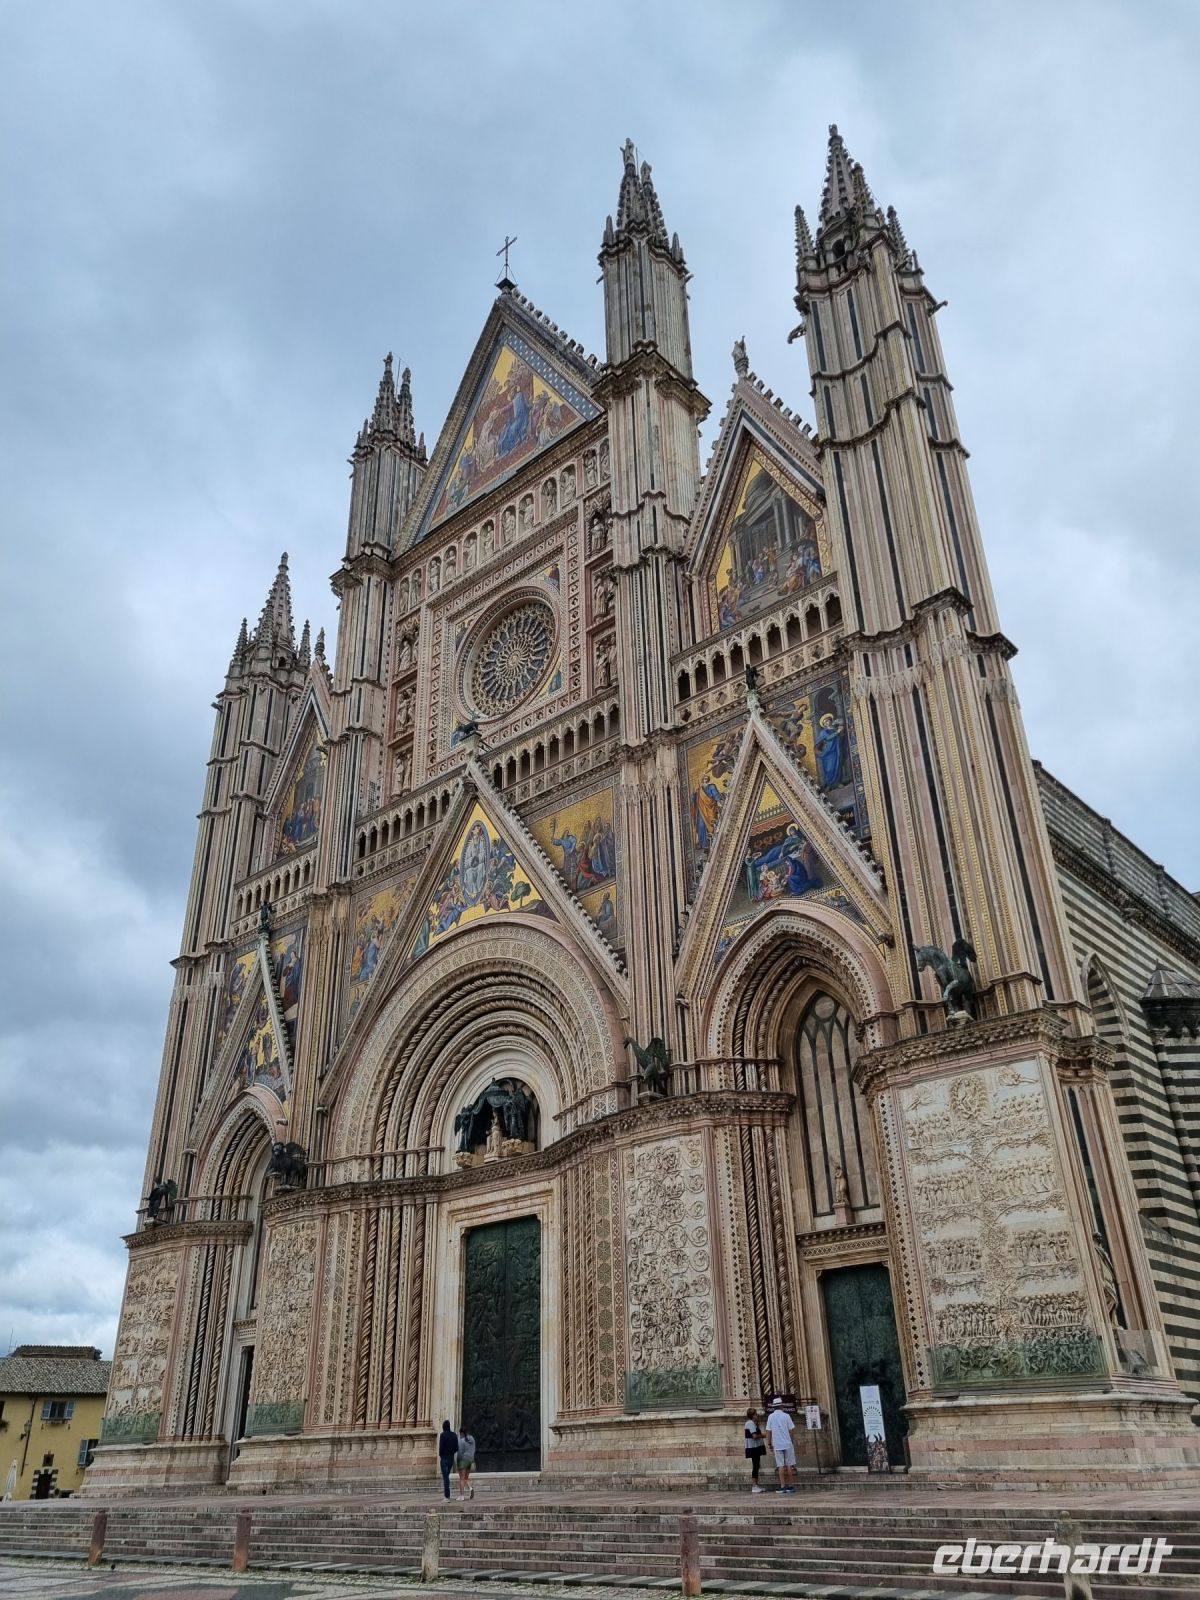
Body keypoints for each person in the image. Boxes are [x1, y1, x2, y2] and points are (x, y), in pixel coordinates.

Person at [765, 1396, 797, 1494]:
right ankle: (791, 1486)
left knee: (780, 1465)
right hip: (787, 1443)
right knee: (789, 1465)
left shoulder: (770, 1417)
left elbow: (768, 1431)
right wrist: (790, 1440)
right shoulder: (786, 1416)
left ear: (774, 1407)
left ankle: (783, 1486)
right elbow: (791, 1430)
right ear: (781, 1406)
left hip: (777, 1444)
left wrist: (769, 1443)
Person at [743, 1407, 766, 1492]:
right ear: (752, 1415)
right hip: (753, 1448)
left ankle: (756, 1485)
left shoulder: (752, 1423)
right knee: (755, 1465)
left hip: (754, 1447)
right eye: (756, 1414)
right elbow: (754, 1436)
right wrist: (764, 1435)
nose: (757, 1415)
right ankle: (754, 1485)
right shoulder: (750, 1423)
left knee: (756, 1465)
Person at [437, 1420, 458, 1500]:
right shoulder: (454, 1435)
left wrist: (441, 1454)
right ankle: (447, 1494)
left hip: (444, 1458)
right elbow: (456, 1448)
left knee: (445, 1477)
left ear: (443, 1427)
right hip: (451, 1458)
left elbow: (441, 1447)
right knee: (447, 1476)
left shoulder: (443, 1435)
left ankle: (447, 1496)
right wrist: (451, 1452)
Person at [456, 1427, 476, 1500]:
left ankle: (462, 1495)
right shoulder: (472, 1439)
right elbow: (473, 1449)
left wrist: (457, 1461)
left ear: (461, 1433)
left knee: (461, 1478)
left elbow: (460, 1453)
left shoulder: (461, 1441)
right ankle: (470, 1488)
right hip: (470, 1460)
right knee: (466, 1478)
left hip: (463, 1461)